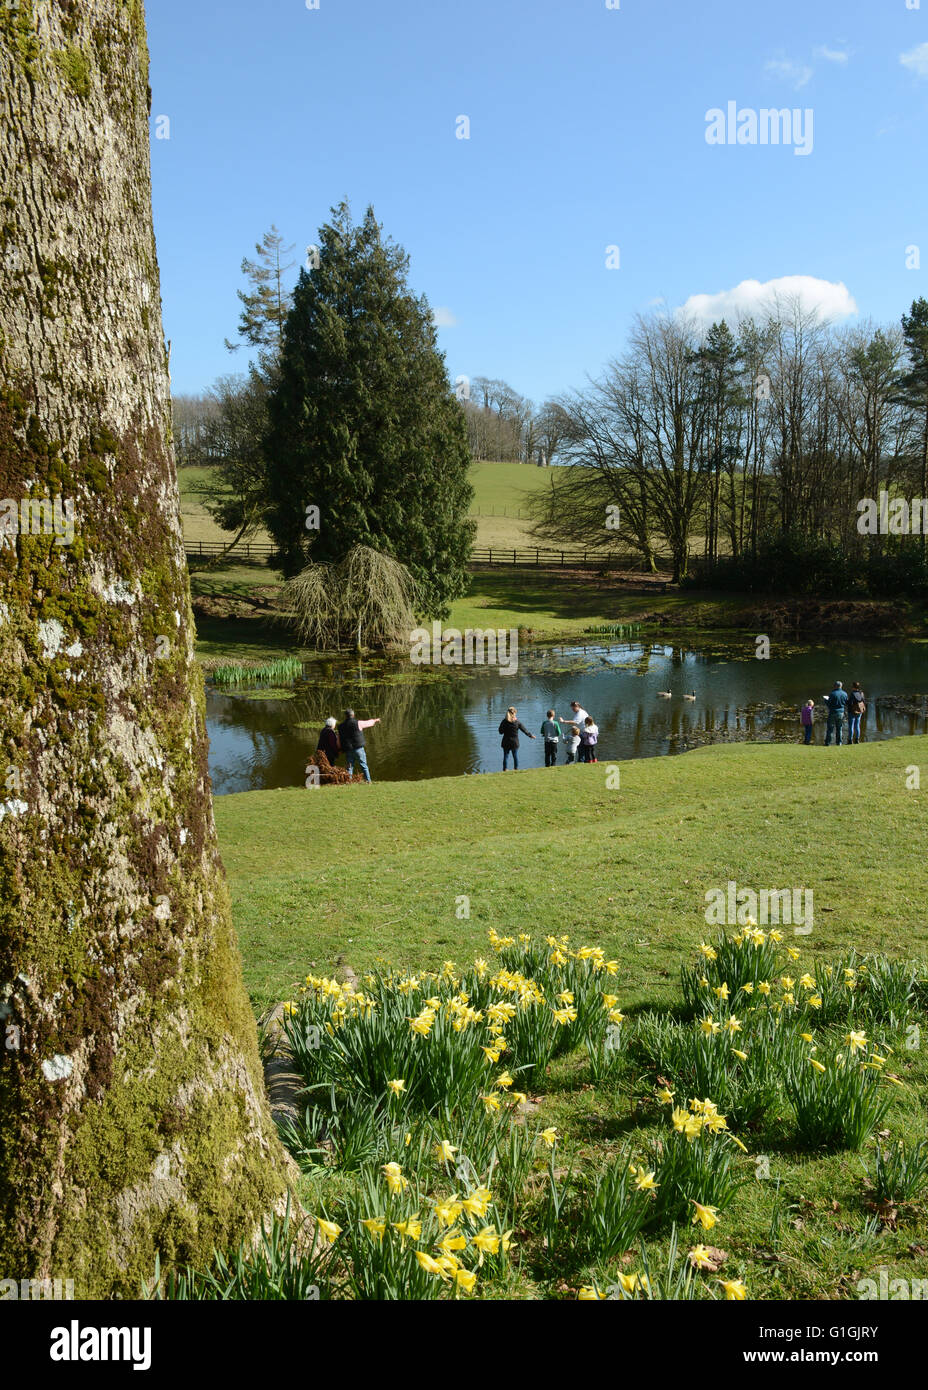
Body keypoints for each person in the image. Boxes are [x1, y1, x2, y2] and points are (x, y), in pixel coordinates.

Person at [337, 707, 381, 782]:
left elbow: (338, 739)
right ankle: (368, 781)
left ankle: (349, 781)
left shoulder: (340, 726)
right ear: (353, 715)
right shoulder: (358, 723)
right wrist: (375, 720)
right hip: (358, 748)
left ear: (346, 716)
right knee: (363, 765)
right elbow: (368, 723)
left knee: (349, 767)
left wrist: (340, 749)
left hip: (348, 749)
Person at [498, 706, 535, 770]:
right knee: (515, 756)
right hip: (514, 742)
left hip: (506, 741)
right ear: (514, 713)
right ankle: (516, 769)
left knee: (505, 756)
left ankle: (505, 769)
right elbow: (524, 730)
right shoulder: (517, 722)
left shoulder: (504, 721)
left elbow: (500, 732)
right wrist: (530, 735)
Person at [823, 681, 848, 746]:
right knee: (839, 728)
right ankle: (839, 743)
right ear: (841, 686)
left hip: (833, 712)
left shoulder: (832, 694)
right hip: (841, 713)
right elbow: (846, 703)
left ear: (835, 686)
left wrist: (825, 700)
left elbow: (829, 704)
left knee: (830, 729)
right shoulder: (845, 694)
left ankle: (828, 743)